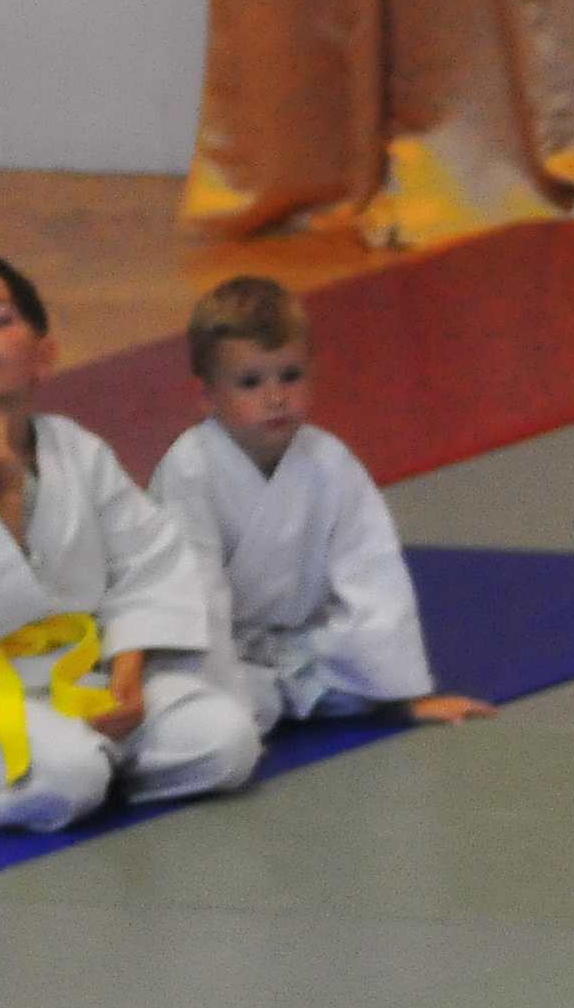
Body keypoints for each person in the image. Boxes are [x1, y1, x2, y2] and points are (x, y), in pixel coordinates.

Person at [0, 250, 259, 834]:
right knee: (70, 780)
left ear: (44, 355)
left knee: (228, 741)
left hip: (88, 674)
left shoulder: (78, 450)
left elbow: (145, 563)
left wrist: (128, 671)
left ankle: (104, 763)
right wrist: (5, 492)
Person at [150, 277, 491, 739]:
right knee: (215, 716)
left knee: (351, 685)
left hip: (297, 649)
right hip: (219, 653)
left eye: (290, 376)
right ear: (205, 394)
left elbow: (371, 570)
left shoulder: (328, 462)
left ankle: (294, 694)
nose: (275, 397)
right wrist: (222, 688)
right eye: (250, 383)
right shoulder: (189, 471)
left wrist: (403, 692)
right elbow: (195, 591)